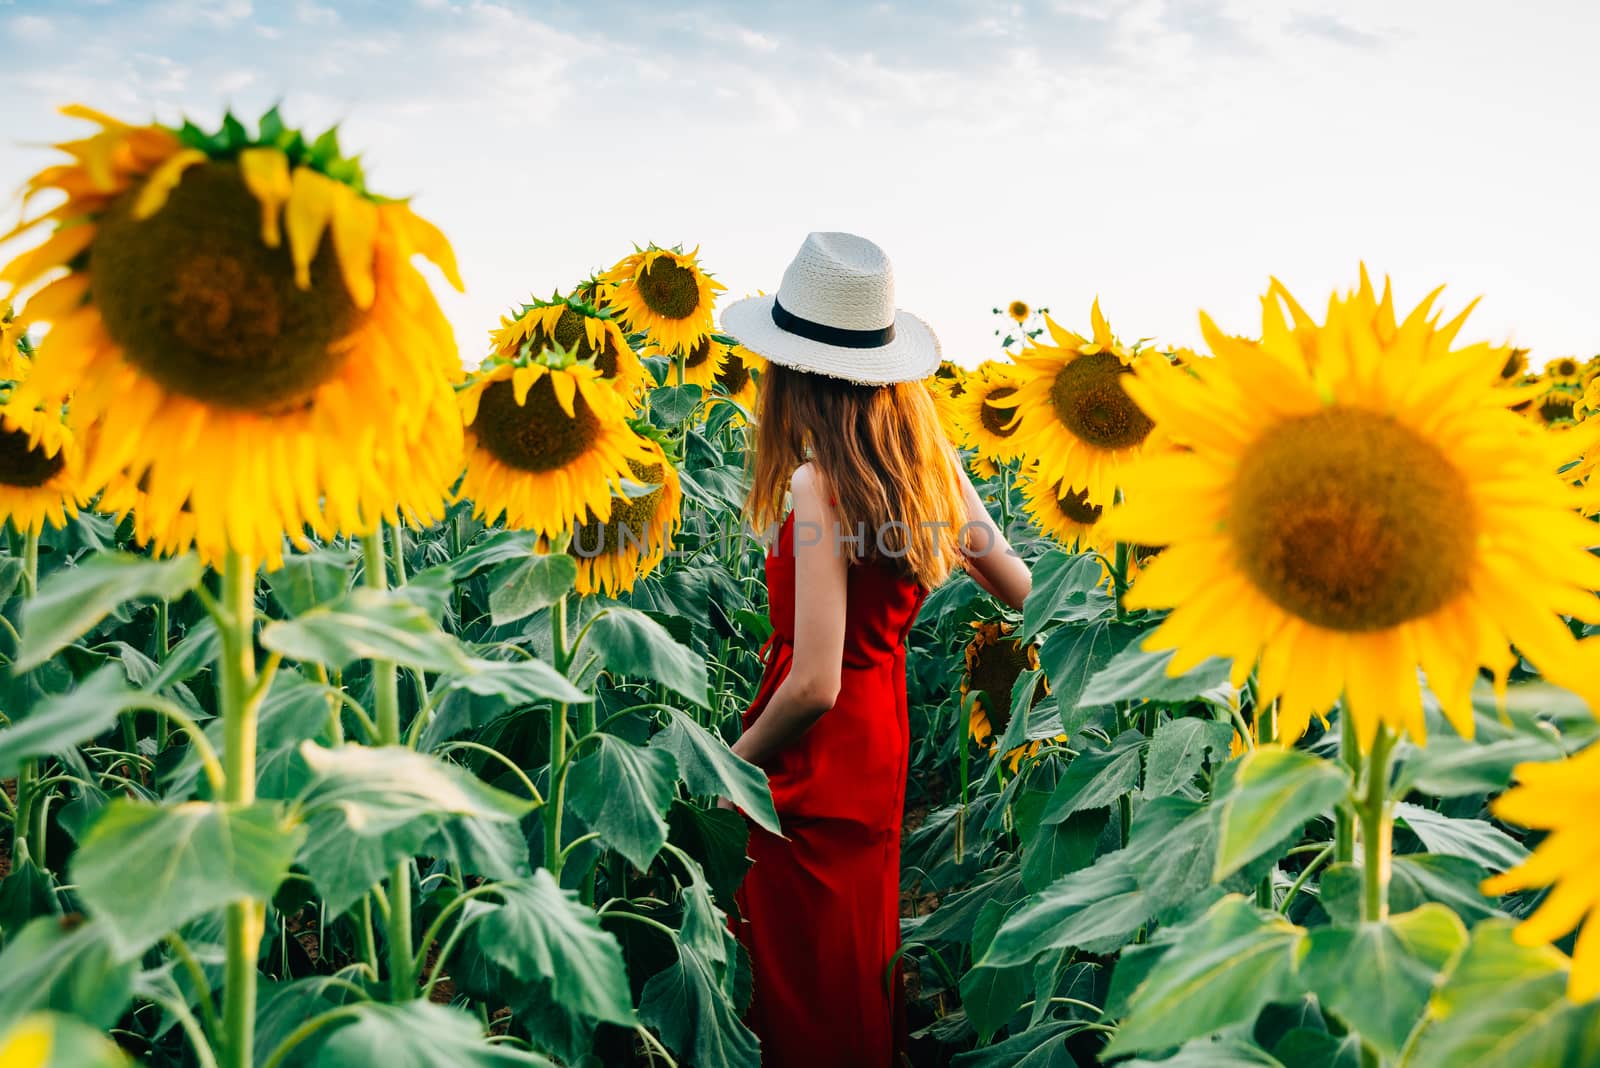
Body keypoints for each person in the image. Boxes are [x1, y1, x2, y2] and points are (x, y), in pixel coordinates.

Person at [718, 233, 1032, 1066]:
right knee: (854, 948)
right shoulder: (930, 467)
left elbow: (815, 682)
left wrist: (731, 772)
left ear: (795, 373)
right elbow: (1023, 588)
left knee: (796, 971)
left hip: (812, 754)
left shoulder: (818, 485)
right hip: (878, 736)